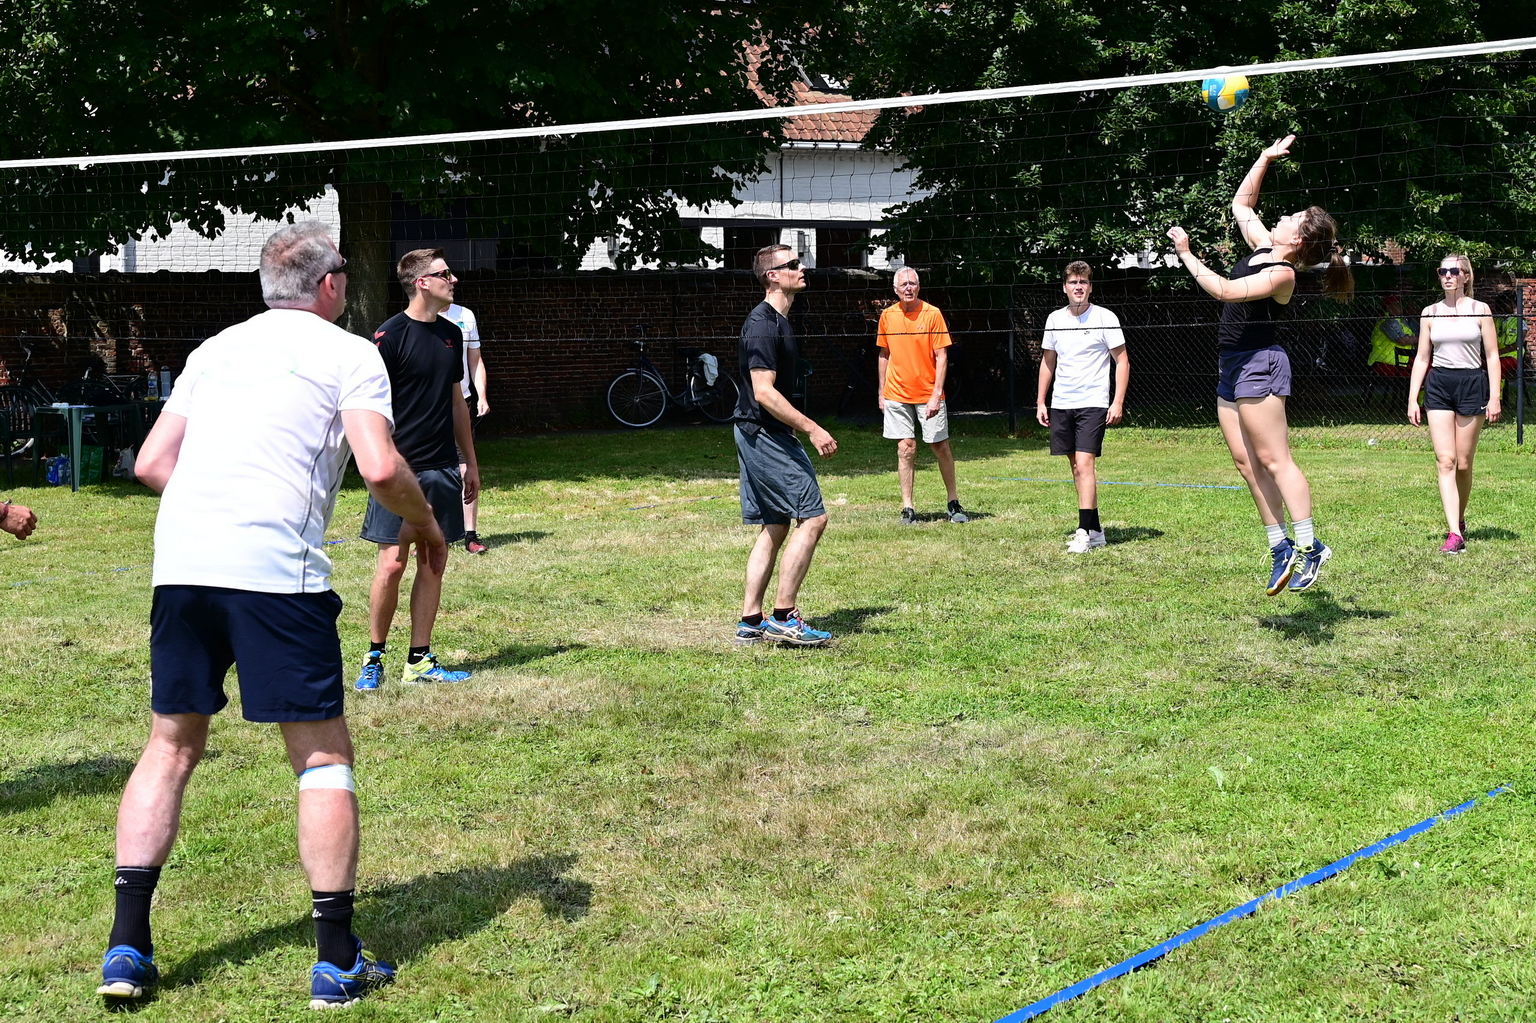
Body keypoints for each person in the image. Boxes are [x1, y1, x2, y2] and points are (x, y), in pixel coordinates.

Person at [98, 222, 445, 1008]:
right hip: (275, 578)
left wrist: (220, 504)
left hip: (182, 567)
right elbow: (380, 465)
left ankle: (125, 949)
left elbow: (152, 462)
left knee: (169, 746)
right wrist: (425, 522)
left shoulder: (214, 350)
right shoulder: (351, 353)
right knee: (322, 758)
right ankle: (336, 961)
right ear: (329, 285)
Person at [1167, 134, 1351, 595]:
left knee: (1274, 459)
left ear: (1299, 238)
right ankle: (1280, 547)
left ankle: (1310, 547)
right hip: (1232, 364)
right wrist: (1264, 158)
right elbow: (1241, 205)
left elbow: (1227, 291)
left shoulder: (1283, 273)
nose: (1283, 216)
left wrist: (1187, 254)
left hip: (1260, 364)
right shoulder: (1263, 246)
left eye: (1293, 218)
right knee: (1246, 463)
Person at [355, 250, 480, 689]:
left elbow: (456, 402)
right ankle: (373, 658)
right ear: (422, 282)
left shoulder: (452, 334)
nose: (454, 279)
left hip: (442, 466)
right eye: (445, 273)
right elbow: (368, 406)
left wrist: (469, 461)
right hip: (398, 470)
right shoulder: (389, 336)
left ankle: (419, 660)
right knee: (392, 564)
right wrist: (383, 462)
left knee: (433, 559)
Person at [732, 243, 837, 647]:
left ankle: (750, 620)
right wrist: (812, 428)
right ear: (772, 276)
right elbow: (764, 391)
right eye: (792, 264)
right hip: (763, 433)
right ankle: (783, 617)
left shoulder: (779, 320)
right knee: (813, 518)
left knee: (775, 525)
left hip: (758, 431)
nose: (802, 267)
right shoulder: (762, 324)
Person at [1406, 254, 1501, 554]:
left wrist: (1494, 396)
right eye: (1442, 271)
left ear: (1466, 276)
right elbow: (1422, 357)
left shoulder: (1480, 310)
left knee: (1463, 462)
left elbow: (1492, 356)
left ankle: (1459, 519)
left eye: (1454, 271)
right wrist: (1412, 398)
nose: (1447, 275)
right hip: (1439, 385)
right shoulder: (1430, 313)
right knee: (1445, 460)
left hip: (1472, 384)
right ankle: (1454, 533)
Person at [1036, 260, 1129, 552]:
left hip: (1093, 403)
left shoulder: (1105, 317)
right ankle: (1096, 529)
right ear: (1064, 287)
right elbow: (1047, 363)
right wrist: (1041, 401)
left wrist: (1117, 401)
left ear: (1090, 287)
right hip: (1062, 403)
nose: (1078, 287)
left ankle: (1083, 531)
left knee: (1086, 464)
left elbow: (1122, 361)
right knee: (1076, 467)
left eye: (1083, 282)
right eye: (1073, 282)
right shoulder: (1054, 319)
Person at [876, 267, 968, 525]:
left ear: (919, 287)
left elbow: (942, 356)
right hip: (896, 393)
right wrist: (882, 391)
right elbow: (884, 354)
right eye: (904, 284)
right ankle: (908, 507)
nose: (909, 288)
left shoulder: (932, 314)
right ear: (895, 289)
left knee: (940, 446)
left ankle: (953, 502)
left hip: (928, 392)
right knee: (905, 447)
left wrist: (936, 394)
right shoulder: (887, 316)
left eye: (913, 283)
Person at [445, 302, 490, 555]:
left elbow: (475, 360)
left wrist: (481, 395)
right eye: (446, 281)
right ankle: (430, 535)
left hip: (461, 402)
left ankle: (470, 535)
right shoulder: (418, 318)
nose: (453, 283)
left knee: (466, 467)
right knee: (428, 471)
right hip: (429, 406)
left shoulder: (465, 315)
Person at [1366, 294, 1417, 378]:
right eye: (1396, 303)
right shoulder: (1387, 322)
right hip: (1384, 363)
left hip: (1401, 362)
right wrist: (1421, 339)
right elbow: (1402, 340)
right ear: (1388, 307)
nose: (1399, 306)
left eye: (1399, 303)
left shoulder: (1403, 321)